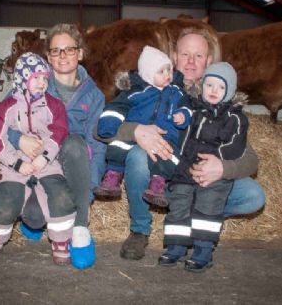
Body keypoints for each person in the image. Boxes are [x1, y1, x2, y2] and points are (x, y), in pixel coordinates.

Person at [97, 27, 265, 261]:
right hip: (163, 181)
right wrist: (135, 131)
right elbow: (102, 130)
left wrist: (223, 168)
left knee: (253, 195)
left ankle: (195, 217)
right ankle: (140, 230)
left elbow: (250, 159)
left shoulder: (217, 98)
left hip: (200, 182)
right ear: (174, 57)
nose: (191, 62)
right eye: (185, 54)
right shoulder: (150, 86)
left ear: (208, 61)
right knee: (137, 156)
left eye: (198, 56)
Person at [5, 24, 106, 269]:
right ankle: (39, 214)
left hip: (75, 163)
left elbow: (98, 144)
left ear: (80, 53)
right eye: (56, 51)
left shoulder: (94, 95)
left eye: (69, 49)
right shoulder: (32, 83)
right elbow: (0, 122)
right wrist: (19, 139)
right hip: (40, 165)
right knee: (34, 218)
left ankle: (80, 227)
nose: (63, 56)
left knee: (73, 142)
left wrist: (89, 190)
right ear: (48, 56)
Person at [0, 52, 76, 265]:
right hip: (14, 162)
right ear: (23, 79)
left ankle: (61, 241)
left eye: (44, 78)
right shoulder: (5, 108)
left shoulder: (54, 105)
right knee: (6, 197)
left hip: (46, 161)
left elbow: (58, 132)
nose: (42, 83)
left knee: (60, 195)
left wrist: (45, 158)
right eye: (36, 78)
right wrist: (16, 162)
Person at [159, 61, 248, 272]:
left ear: (230, 92)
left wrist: (217, 160)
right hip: (186, 167)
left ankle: (203, 251)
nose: (214, 91)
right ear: (202, 86)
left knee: (207, 207)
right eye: (209, 85)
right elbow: (181, 135)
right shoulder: (193, 109)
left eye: (221, 87)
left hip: (214, 171)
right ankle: (176, 246)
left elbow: (237, 145)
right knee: (179, 202)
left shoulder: (235, 118)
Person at [94, 45, 191, 207]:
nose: (168, 75)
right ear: (148, 75)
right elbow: (118, 106)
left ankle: (158, 185)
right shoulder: (136, 91)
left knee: (169, 156)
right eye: (162, 71)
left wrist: (184, 115)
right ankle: (113, 175)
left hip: (166, 136)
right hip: (137, 133)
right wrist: (110, 121)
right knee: (118, 145)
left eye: (170, 70)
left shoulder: (177, 92)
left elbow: (186, 105)